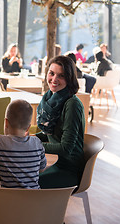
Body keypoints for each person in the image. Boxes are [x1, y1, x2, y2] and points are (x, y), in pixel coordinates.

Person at [36, 55, 85, 189]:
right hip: (57, 163)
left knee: (26, 182)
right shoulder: (51, 98)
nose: (54, 79)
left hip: (69, 170)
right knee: (20, 176)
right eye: (51, 73)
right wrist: (30, 139)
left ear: (69, 79)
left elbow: (66, 148)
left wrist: (34, 145)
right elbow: (51, 133)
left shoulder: (72, 104)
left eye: (61, 76)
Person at [0, 99, 47, 188]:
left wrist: (5, 167)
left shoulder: (0, 141)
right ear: (28, 127)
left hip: (8, 200)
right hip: (33, 199)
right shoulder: (37, 142)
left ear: (6, 123)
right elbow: (42, 168)